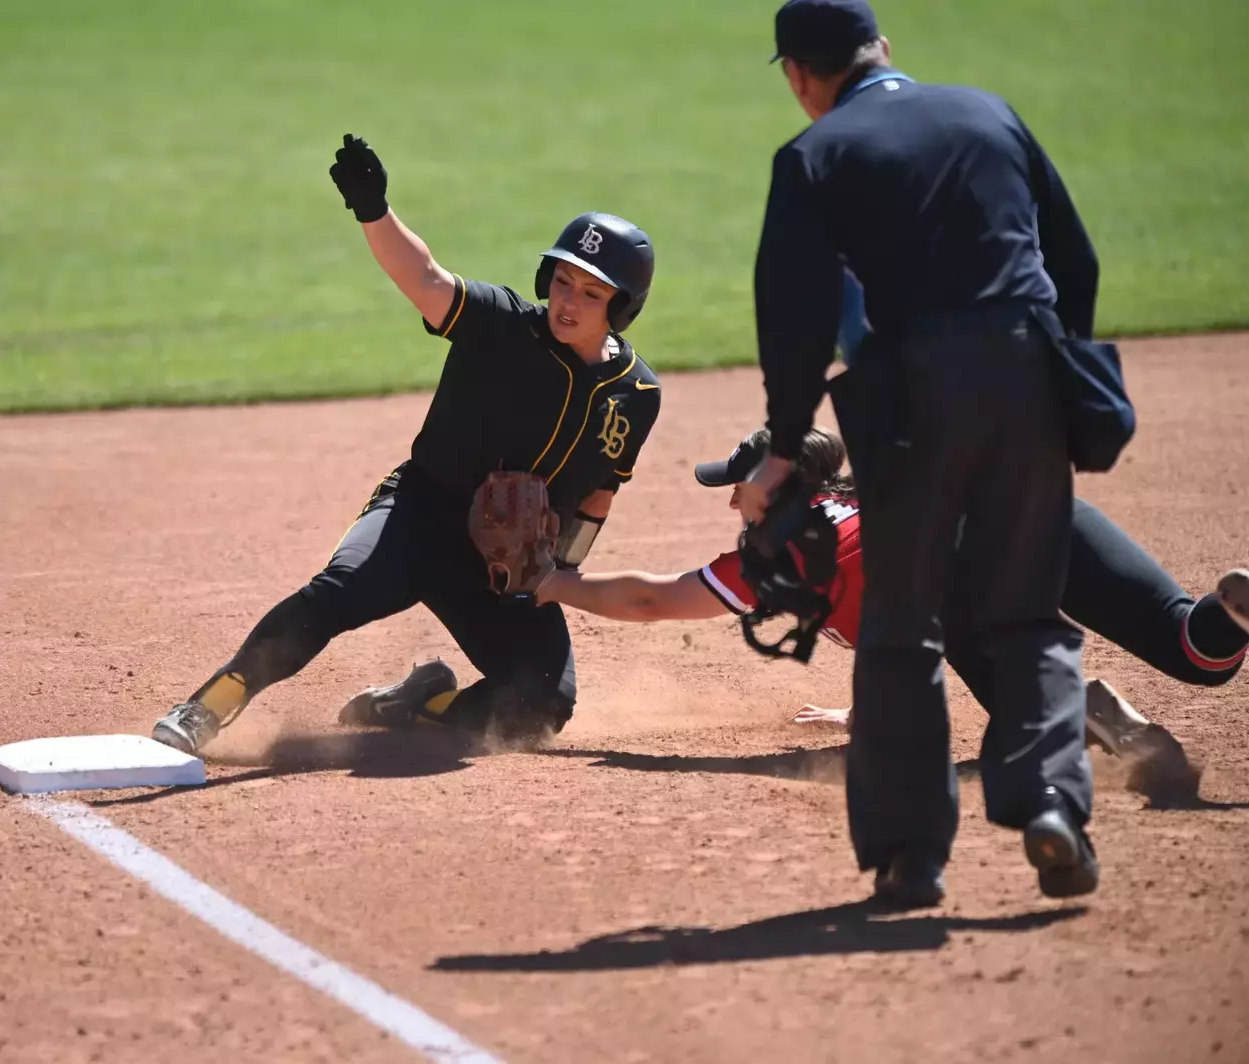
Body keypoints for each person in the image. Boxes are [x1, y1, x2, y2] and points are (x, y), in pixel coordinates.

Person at [738, 0, 1108, 906]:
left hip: (911, 395)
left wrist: (785, 448)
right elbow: (1079, 261)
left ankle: (912, 858)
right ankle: (1055, 803)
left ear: (797, 76)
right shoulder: (990, 111)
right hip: (1028, 373)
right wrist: (1058, 374)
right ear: (884, 50)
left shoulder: (815, 154)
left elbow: (794, 316)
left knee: (904, 625)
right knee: (1028, 614)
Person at [149, 133, 662, 755]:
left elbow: (599, 495)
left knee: (542, 704)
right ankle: (209, 705)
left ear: (622, 307)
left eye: (591, 292)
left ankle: (419, 703)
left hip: (498, 565)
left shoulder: (635, 393)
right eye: (562, 281)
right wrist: (374, 210)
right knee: (335, 594)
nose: (568, 301)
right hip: (419, 514)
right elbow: (425, 278)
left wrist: (558, 572)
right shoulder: (503, 326)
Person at [532, 426, 1248, 787]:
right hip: (1042, 511)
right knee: (1196, 648)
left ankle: (1074, 710)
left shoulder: (782, 553)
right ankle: (1232, 609)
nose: (731, 499)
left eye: (739, 486)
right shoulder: (860, 497)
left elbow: (652, 600)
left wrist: (556, 583)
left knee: (1003, 734)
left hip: (975, 585)